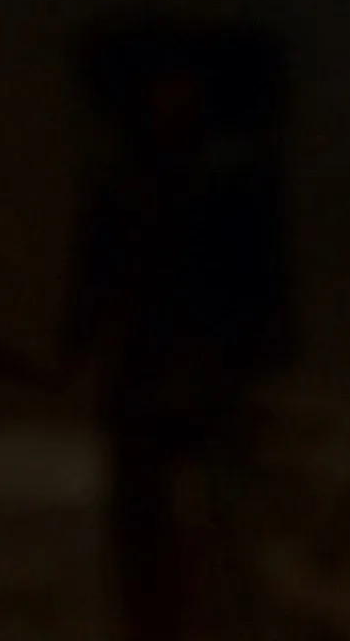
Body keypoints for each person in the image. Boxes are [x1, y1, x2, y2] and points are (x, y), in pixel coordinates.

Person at [62, 61, 289, 641]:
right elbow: (94, 265)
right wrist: (80, 342)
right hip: (140, 362)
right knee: (139, 510)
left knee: (219, 505)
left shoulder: (231, 173)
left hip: (208, 359)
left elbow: (259, 268)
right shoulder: (119, 172)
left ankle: (218, 614)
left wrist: (261, 344)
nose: (172, 98)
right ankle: (150, 617)